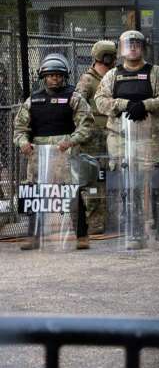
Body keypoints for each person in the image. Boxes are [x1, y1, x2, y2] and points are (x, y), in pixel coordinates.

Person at [95, 30, 159, 248]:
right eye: (128, 44)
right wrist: (124, 105)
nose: (133, 48)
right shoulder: (112, 75)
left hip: (149, 138)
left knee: (155, 185)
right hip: (122, 139)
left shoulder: (156, 72)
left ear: (143, 47)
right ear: (121, 48)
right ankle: (135, 232)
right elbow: (100, 101)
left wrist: (146, 105)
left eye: (137, 44)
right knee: (129, 187)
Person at [13, 54, 94, 250]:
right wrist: (23, 143)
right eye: (50, 75)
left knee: (72, 193)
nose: (54, 79)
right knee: (36, 195)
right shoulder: (33, 100)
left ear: (64, 76)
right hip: (38, 156)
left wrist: (71, 141)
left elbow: (86, 125)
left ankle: (82, 236)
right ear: (43, 77)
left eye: (58, 75)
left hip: (65, 153)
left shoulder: (74, 98)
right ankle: (33, 236)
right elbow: (20, 128)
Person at [75, 40, 117, 235]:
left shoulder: (115, 76)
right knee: (93, 179)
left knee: (110, 177)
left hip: (113, 132)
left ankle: (110, 217)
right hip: (93, 135)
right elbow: (77, 104)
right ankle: (95, 221)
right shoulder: (88, 80)